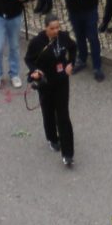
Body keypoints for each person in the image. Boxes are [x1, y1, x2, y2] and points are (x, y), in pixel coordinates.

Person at [25, 14, 78, 167]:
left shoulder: (64, 37)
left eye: (57, 27)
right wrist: (35, 70)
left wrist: (71, 64)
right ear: (45, 28)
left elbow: (73, 48)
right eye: (52, 28)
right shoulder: (37, 42)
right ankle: (52, 138)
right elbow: (28, 59)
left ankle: (68, 154)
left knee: (63, 116)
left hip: (61, 81)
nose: (56, 31)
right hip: (45, 83)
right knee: (48, 112)